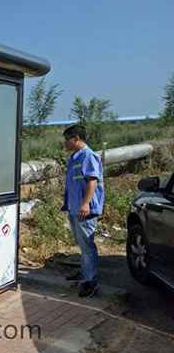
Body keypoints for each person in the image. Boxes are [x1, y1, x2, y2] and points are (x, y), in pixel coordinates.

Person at [61, 124, 105, 297]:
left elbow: (92, 181)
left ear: (76, 138)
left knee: (87, 245)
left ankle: (90, 281)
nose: (65, 143)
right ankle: (85, 272)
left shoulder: (88, 156)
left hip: (84, 209)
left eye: (67, 139)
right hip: (74, 207)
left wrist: (86, 204)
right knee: (82, 244)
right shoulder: (74, 157)